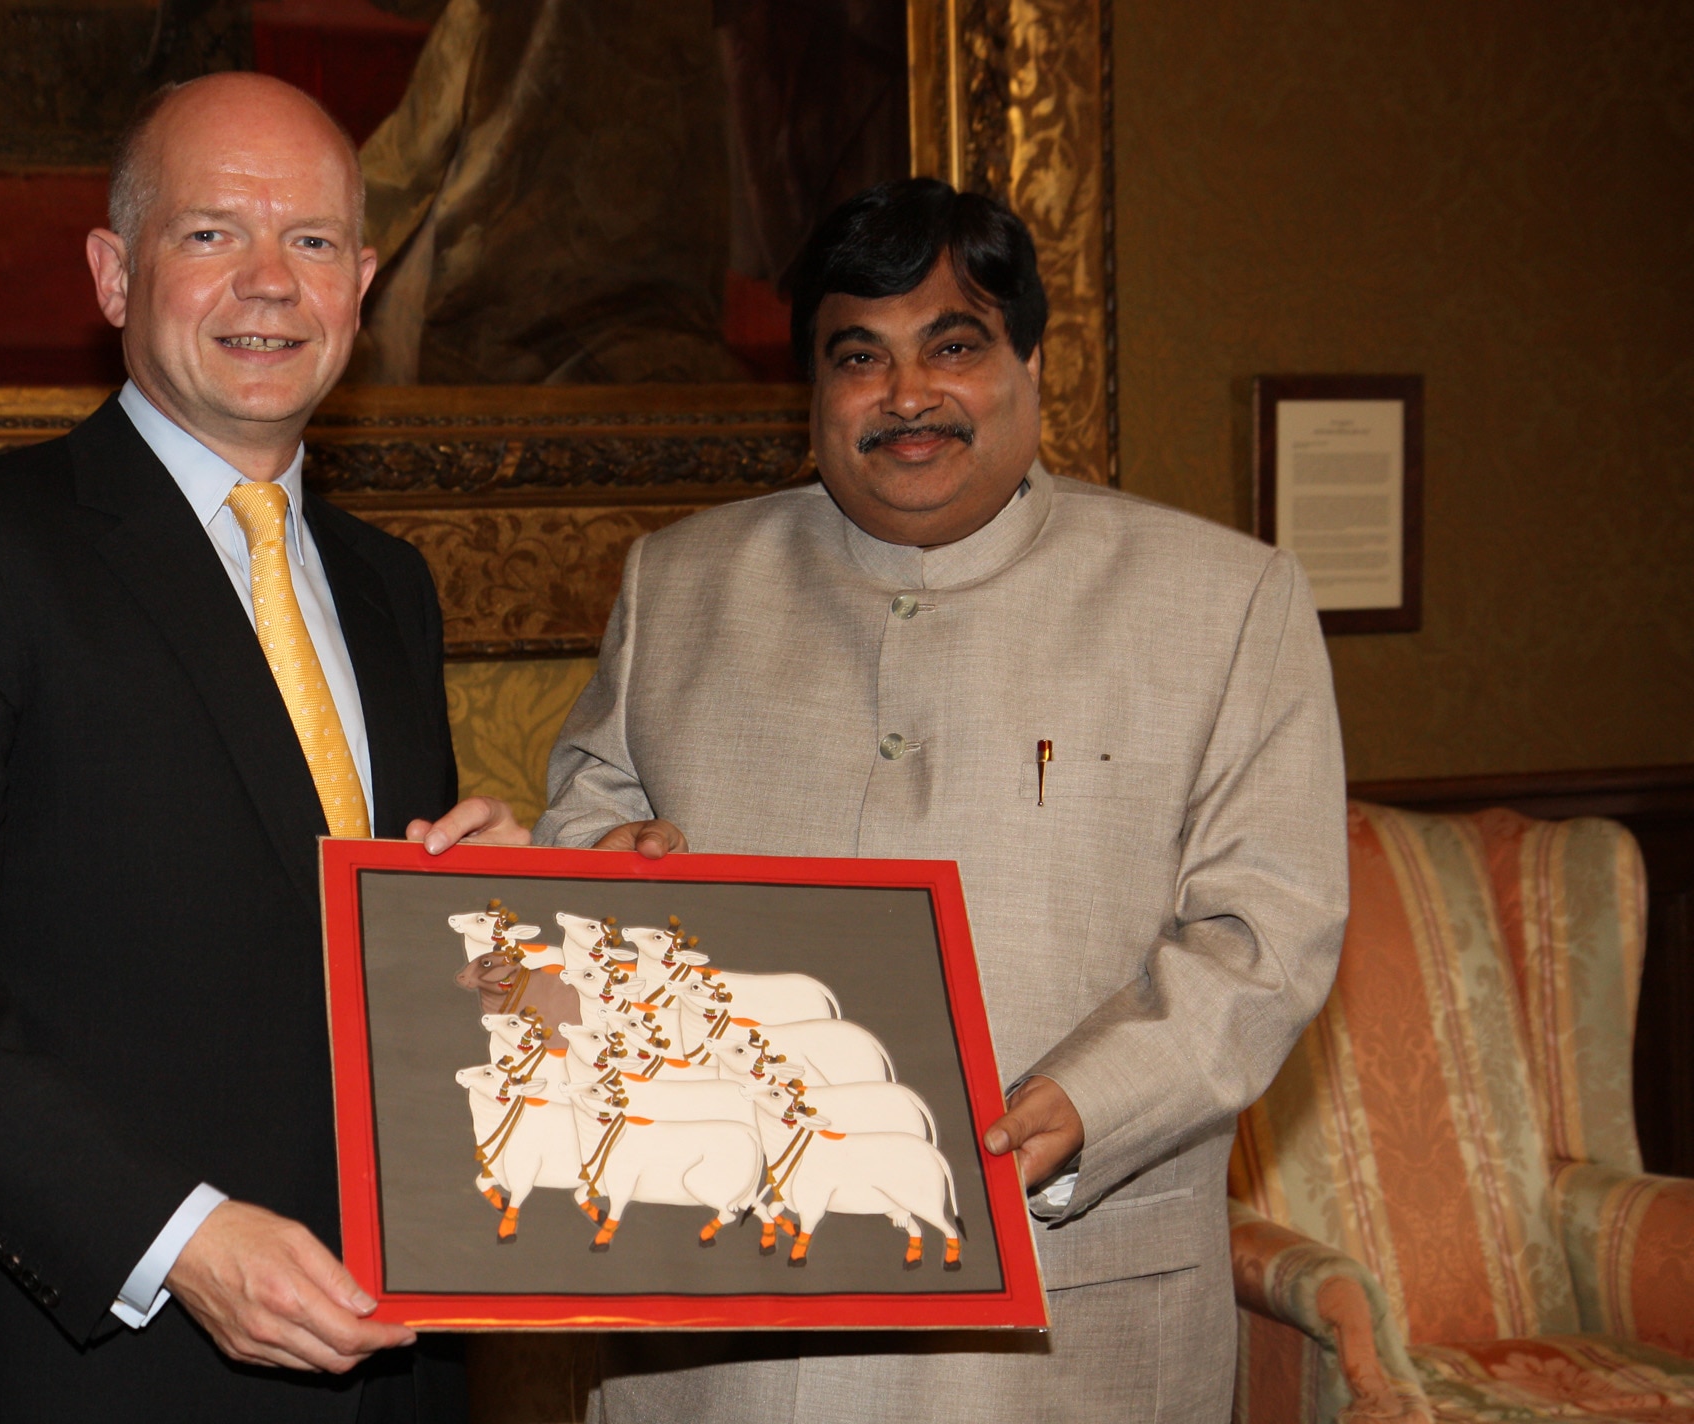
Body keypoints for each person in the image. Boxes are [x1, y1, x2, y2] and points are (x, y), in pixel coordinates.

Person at [535, 177, 1348, 1422]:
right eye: (859, 356)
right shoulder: (679, 583)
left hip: (1062, 1311)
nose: (906, 395)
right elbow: (580, 839)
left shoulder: (1224, 602)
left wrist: (1084, 1104)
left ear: (1032, 362)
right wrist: (608, 868)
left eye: (953, 345)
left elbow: (1266, 935)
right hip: (723, 1336)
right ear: (812, 390)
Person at [0, 72, 523, 1422]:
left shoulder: (388, 585)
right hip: (117, 1368)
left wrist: (494, 918)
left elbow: (349, 964)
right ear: (114, 274)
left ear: (360, 285)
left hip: (407, 1359)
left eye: (310, 241)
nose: (268, 283)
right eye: (209, 234)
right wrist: (175, 1236)